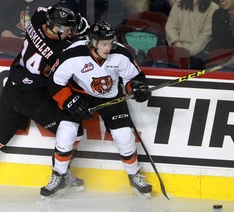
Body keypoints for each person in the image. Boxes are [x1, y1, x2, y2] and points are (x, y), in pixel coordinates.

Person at [0, 4, 89, 190]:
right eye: (68, 30)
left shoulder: (36, 20)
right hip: (34, 98)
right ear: (57, 29)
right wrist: (82, 32)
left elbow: (44, 9)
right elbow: (77, 56)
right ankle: (61, 173)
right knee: (74, 131)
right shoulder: (60, 50)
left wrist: (67, 20)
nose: (70, 33)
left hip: (12, 88)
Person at [41, 21, 153, 198]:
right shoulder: (73, 54)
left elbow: (134, 78)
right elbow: (55, 81)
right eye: (104, 44)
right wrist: (69, 101)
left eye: (110, 42)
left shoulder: (121, 54)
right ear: (93, 42)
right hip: (80, 95)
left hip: (111, 96)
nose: (108, 47)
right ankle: (58, 176)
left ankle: (134, 175)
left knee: (124, 136)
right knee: (66, 133)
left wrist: (137, 88)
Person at [165, 0, 218, 69]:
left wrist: (188, 53)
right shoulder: (179, 3)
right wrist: (176, 43)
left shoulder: (213, 8)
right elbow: (170, 26)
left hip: (199, 54)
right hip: (176, 49)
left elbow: (206, 34)